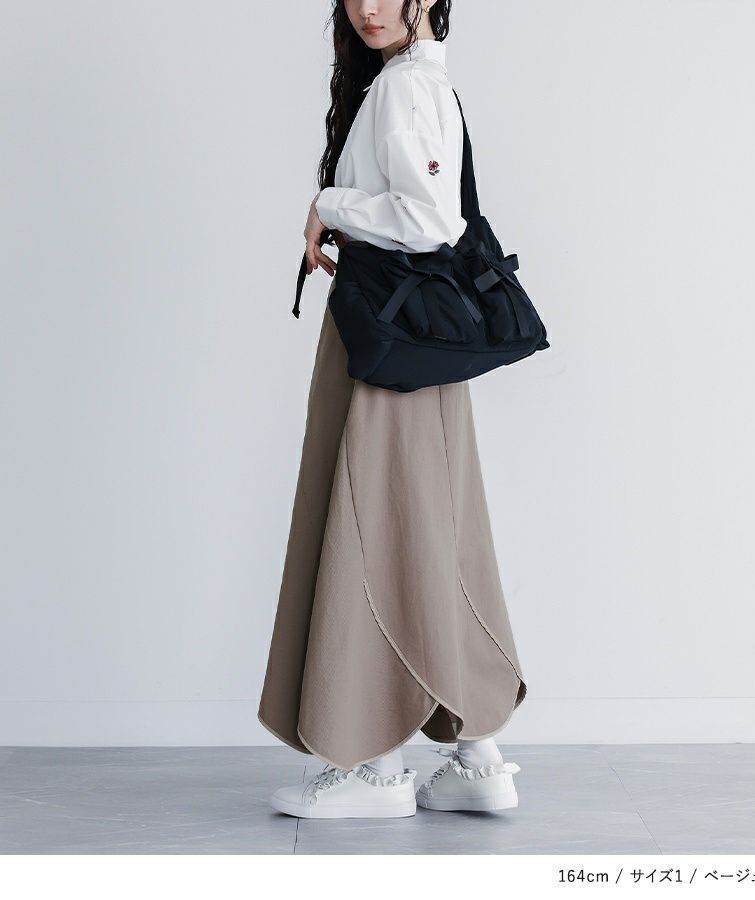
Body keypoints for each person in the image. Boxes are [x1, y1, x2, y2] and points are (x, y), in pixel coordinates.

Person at [258, 0, 527, 819]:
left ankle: (374, 770)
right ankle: (477, 758)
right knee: (436, 534)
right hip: (419, 346)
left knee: (373, 530)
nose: (368, 7)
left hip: (387, 346)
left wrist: (331, 206)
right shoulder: (416, 82)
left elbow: (429, 220)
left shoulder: (407, 89)